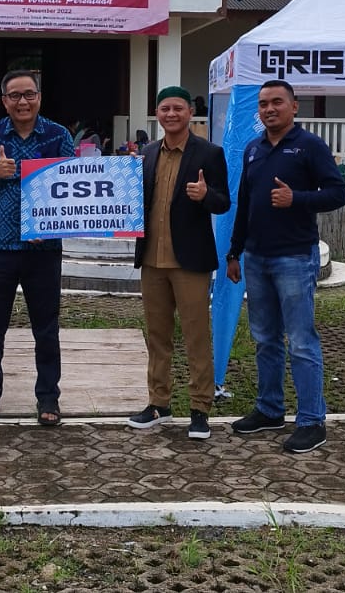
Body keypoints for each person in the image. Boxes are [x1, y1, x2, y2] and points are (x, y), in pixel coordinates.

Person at [225, 79, 345, 454]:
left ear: (294, 106)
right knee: (265, 339)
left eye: (277, 102)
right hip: (256, 258)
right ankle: (270, 409)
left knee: (301, 341)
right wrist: (234, 252)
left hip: (294, 257)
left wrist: (297, 199)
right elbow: (245, 203)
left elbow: (337, 193)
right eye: (263, 104)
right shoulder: (253, 149)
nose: (269, 109)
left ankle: (311, 421)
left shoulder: (309, 146)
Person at [0, 70, 75, 427]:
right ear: (4, 101)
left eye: (29, 94)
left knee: (46, 329)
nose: (23, 101)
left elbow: (73, 185)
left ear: (39, 97)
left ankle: (48, 397)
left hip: (43, 250)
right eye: (15, 95)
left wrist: (51, 223)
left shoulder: (58, 136)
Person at [127, 86, 230, 440]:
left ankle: (200, 409)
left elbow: (223, 202)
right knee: (158, 336)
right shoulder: (146, 153)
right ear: (157, 113)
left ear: (189, 112)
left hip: (190, 262)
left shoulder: (210, 153)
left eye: (178, 108)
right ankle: (159, 403)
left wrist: (205, 195)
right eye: (165, 109)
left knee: (196, 336)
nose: (171, 114)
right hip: (152, 260)